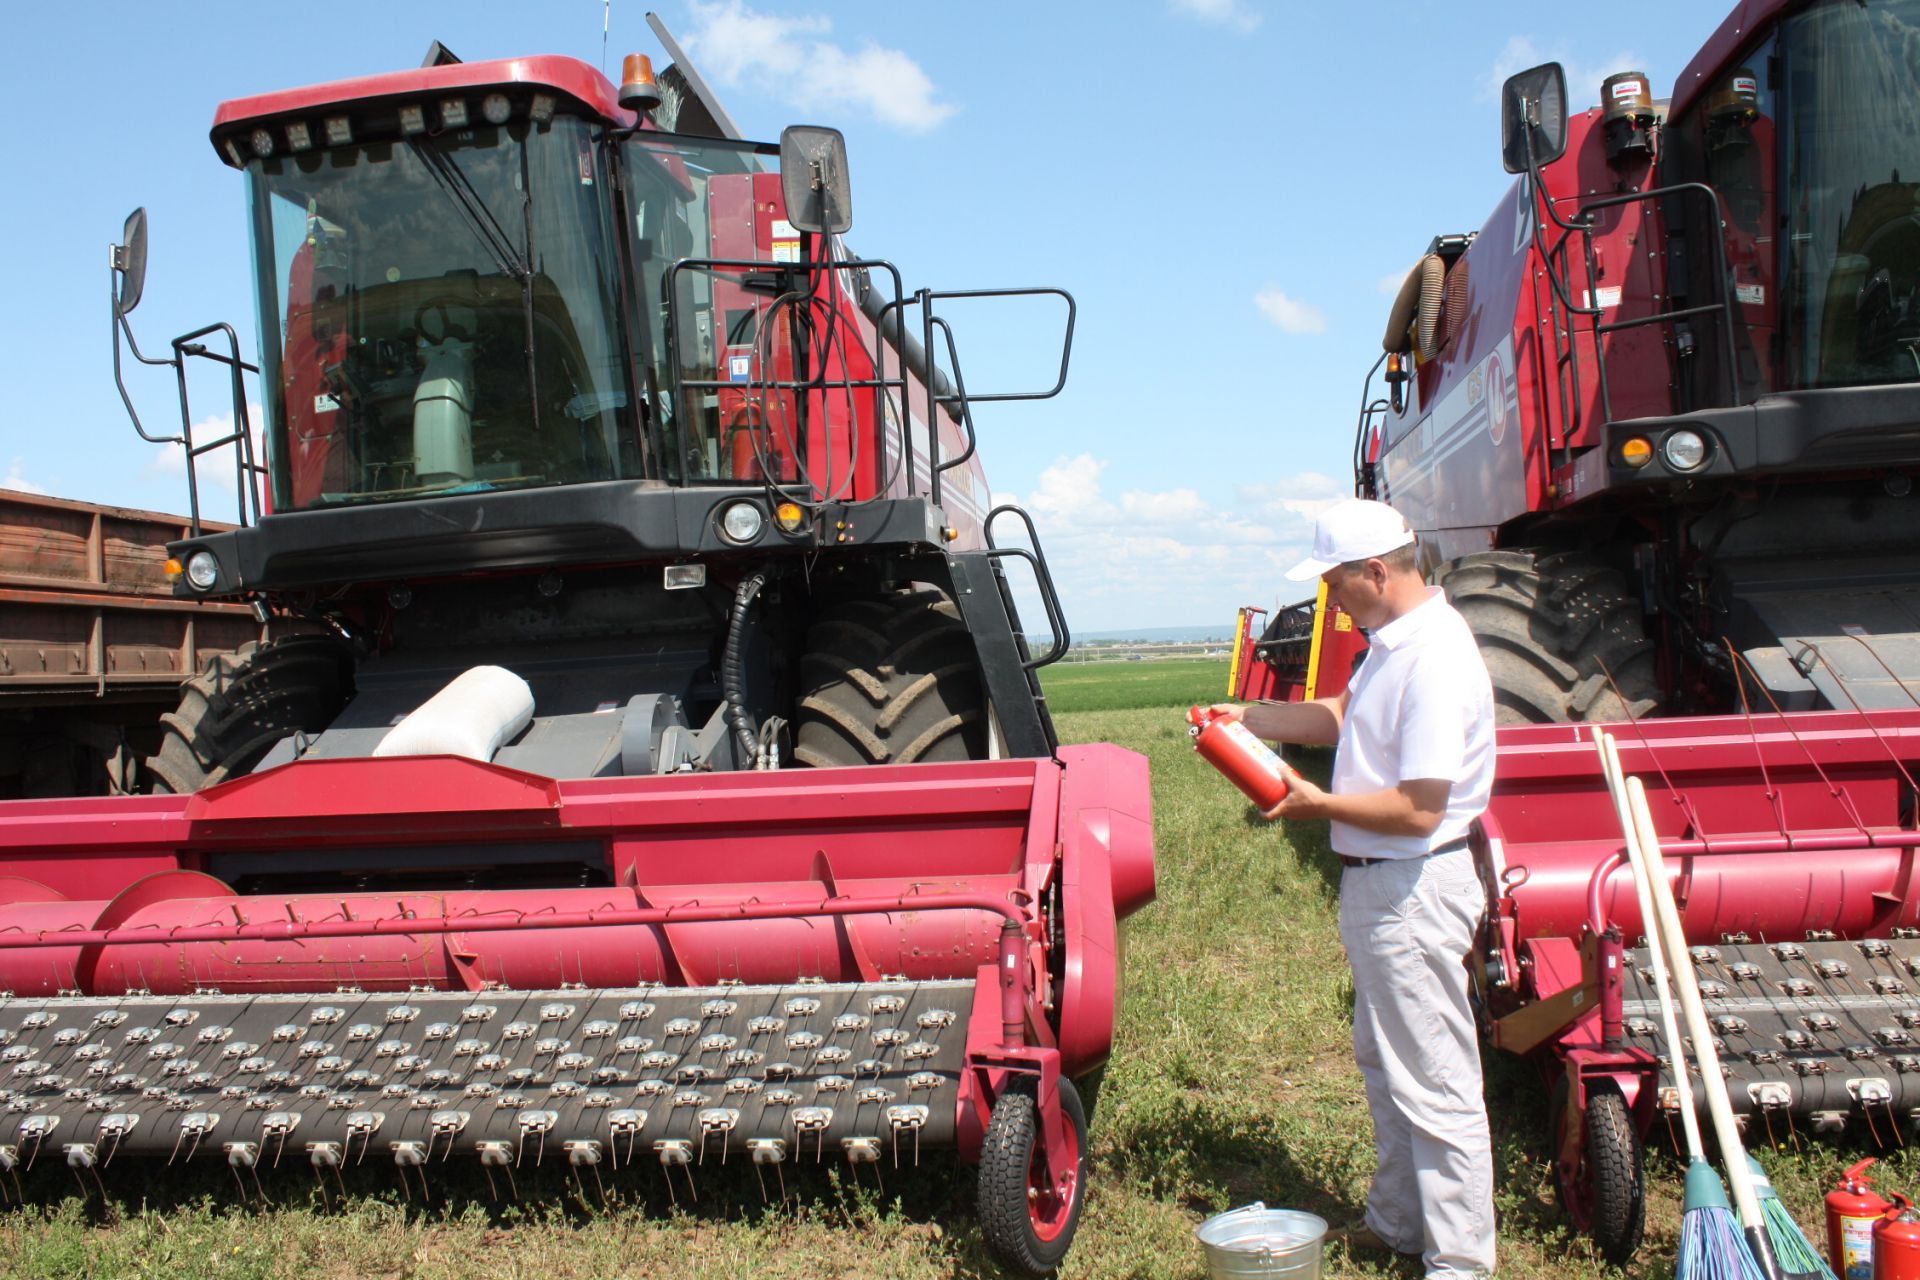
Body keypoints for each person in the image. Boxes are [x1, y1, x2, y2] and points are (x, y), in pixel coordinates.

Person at [1212, 497, 1497, 1280]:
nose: (1332, 600)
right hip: (1384, 886)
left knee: (1436, 1081)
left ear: (1378, 570)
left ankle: (1460, 1264)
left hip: (1412, 885)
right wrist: (1255, 720)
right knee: (1388, 1062)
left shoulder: (1433, 658)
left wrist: (1317, 804)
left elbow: (1419, 808)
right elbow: (1342, 715)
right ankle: (1400, 1222)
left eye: (1338, 583)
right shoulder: (1391, 645)